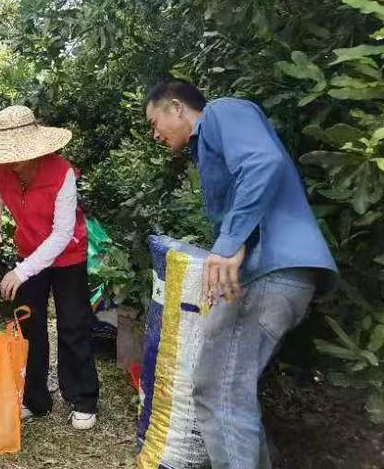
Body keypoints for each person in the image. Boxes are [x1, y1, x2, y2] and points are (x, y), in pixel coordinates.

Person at [145, 78, 338, 469]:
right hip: (268, 272)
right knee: (224, 390)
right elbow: (249, 199)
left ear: (177, 107)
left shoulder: (223, 112)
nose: (155, 134)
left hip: (275, 269)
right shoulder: (209, 149)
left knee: (220, 391)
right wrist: (232, 249)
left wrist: (227, 243)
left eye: (154, 122)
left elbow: (263, 163)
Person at [0, 105, 99, 430]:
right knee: (29, 326)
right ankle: (35, 399)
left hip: (68, 255)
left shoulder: (62, 172)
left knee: (72, 324)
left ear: (36, 149)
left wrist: (21, 272)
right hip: (28, 252)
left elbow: (62, 233)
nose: (12, 162)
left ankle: (82, 399)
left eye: (19, 154)